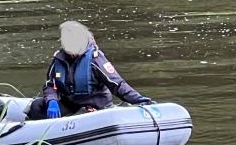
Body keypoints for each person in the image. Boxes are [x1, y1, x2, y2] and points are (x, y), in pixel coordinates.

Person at [26, 21, 154, 120]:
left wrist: (140, 100)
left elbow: (117, 84)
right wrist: (52, 101)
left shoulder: (95, 60)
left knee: (83, 114)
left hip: (95, 105)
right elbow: (50, 85)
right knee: (37, 106)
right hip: (71, 104)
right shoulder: (59, 59)